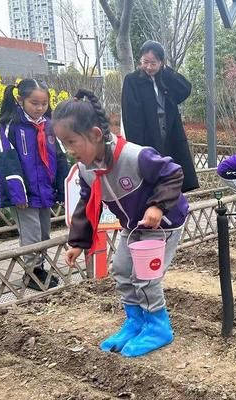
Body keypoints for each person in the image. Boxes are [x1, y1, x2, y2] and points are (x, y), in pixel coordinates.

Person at [53, 89, 189, 357]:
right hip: (133, 226)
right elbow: (87, 203)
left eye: (71, 142)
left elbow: (173, 174)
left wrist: (157, 205)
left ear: (95, 134)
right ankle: (136, 322)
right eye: (63, 144)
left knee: (144, 276)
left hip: (163, 224)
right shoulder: (86, 169)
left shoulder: (135, 156)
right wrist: (78, 242)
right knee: (122, 269)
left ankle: (158, 327)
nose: (69, 151)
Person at [0, 79, 69, 291]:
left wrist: (62, 189)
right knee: (31, 235)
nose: (40, 108)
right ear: (20, 100)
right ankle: (32, 274)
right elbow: (7, 160)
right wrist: (18, 194)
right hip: (23, 193)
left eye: (44, 103)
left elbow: (60, 157)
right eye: (34, 103)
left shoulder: (49, 125)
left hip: (43, 190)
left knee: (44, 233)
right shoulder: (8, 126)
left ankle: (39, 268)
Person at [121, 40, 199, 192]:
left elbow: (185, 89)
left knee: (172, 180)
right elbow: (131, 118)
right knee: (152, 184)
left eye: (154, 63)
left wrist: (165, 71)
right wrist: (137, 149)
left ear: (161, 62)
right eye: (145, 62)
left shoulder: (165, 78)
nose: (149, 67)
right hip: (147, 138)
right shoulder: (132, 81)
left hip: (170, 135)